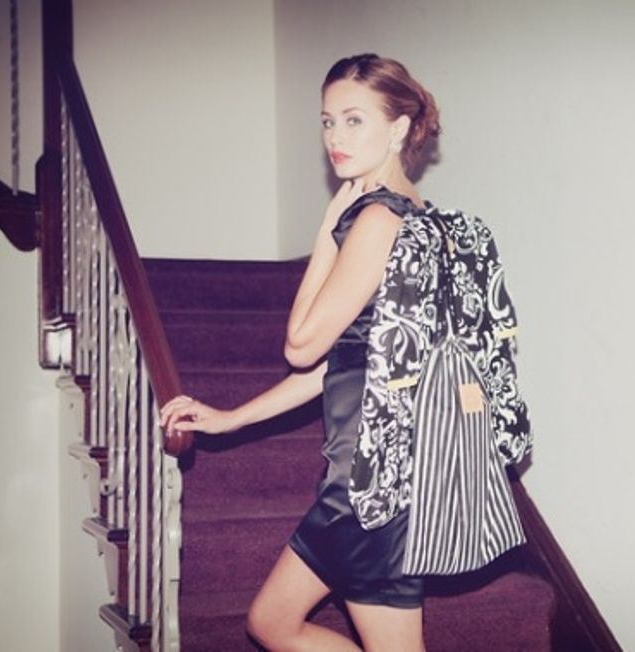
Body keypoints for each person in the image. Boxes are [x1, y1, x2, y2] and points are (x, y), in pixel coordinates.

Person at [159, 54, 441, 652]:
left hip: (375, 482)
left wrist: (326, 232)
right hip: (364, 474)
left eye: (354, 120)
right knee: (271, 621)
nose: (336, 136)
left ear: (398, 128)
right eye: (328, 121)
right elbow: (345, 361)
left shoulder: (379, 219)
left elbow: (301, 345)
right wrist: (230, 418)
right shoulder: (416, 215)